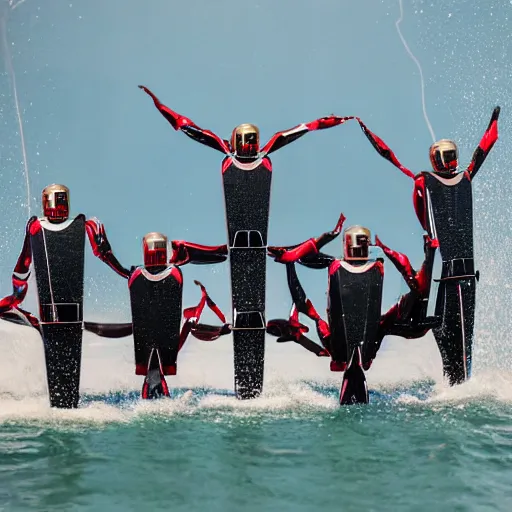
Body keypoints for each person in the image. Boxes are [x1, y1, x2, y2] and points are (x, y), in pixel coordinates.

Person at [139, 84, 354, 400]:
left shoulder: (266, 156)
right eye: (245, 141)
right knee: (203, 255)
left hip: (258, 248)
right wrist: (158, 103)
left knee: (285, 266)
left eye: (253, 141)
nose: (251, 146)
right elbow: (188, 127)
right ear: (236, 142)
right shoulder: (226, 156)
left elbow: (302, 129)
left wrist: (333, 121)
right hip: (235, 249)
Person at [355, 107, 500, 384]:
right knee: (448, 335)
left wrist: (494, 122)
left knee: (454, 338)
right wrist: (494, 121)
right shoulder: (450, 178)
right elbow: (485, 147)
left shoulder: (431, 179)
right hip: (452, 278)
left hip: (451, 277)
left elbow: (394, 164)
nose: (449, 161)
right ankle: (455, 380)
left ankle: (456, 381)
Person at [267, 213, 439, 404]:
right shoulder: (369, 265)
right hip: (360, 346)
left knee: (409, 306)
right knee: (409, 308)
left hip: (352, 345)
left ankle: (424, 315)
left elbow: (305, 257)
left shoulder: (340, 264)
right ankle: (422, 318)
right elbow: (305, 258)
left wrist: (292, 255)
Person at [0, 184, 125, 408]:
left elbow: (22, 268)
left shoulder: (70, 225)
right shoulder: (60, 225)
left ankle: (61, 402)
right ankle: (63, 402)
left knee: (62, 392)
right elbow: (105, 254)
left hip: (56, 317)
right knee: (63, 391)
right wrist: (126, 274)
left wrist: (15, 296)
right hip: (62, 317)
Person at [84, 231, 229, 399]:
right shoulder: (173, 273)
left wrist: (103, 252)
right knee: (187, 322)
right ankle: (85, 325)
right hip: (165, 345)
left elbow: (120, 270)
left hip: (155, 342)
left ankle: (84, 325)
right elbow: (191, 323)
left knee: (169, 326)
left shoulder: (137, 275)